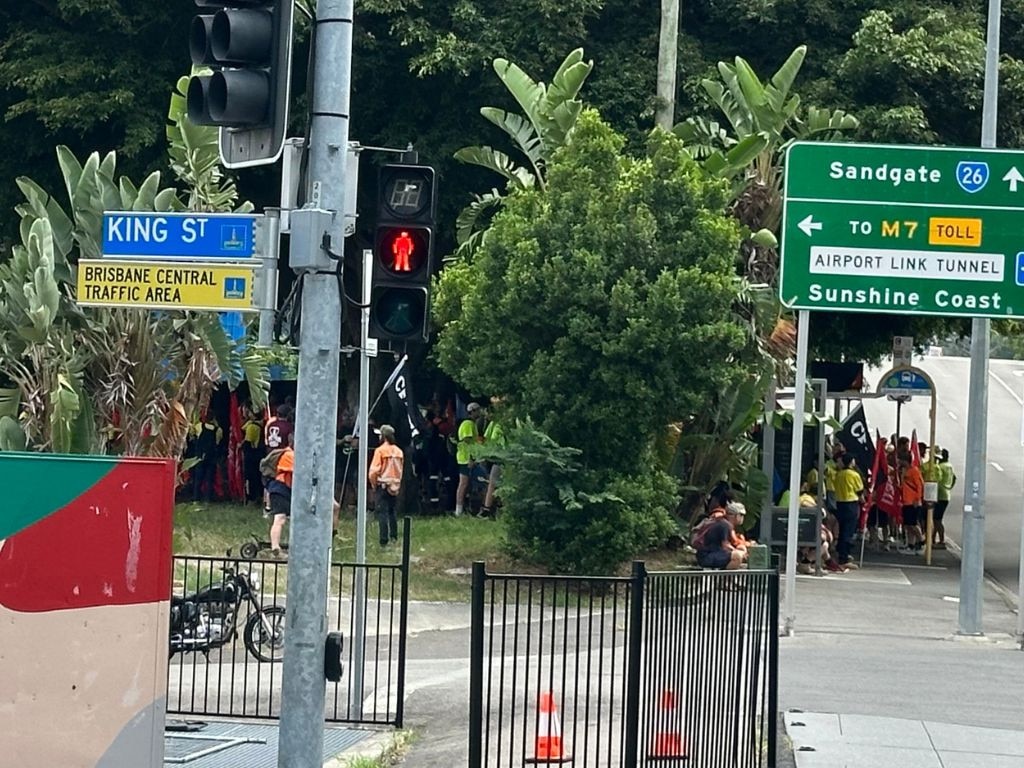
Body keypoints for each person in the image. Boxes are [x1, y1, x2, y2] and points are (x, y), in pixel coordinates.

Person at [368, 424, 404, 547]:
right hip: (394, 486)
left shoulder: (380, 451)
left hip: (382, 485)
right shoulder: (399, 451)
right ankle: (394, 537)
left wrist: (373, 484)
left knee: (382, 513)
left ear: (383, 436)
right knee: (392, 512)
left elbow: (374, 471)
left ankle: (383, 540)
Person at [694, 501, 749, 570]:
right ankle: (724, 579)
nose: (742, 518)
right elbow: (725, 546)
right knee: (737, 556)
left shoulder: (723, 523)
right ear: (735, 515)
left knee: (740, 549)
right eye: (741, 515)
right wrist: (739, 552)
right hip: (707, 557)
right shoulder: (724, 525)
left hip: (713, 554)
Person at [832, 454, 864, 567]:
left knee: (842, 530)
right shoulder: (854, 475)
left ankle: (841, 554)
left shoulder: (838, 475)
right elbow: (859, 491)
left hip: (840, 504)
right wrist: (864, 501)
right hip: (851, 504)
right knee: (848, 531)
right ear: (851, 462)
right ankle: (844, 558)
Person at [267, 433, 294, 558]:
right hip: (279, 489)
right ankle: (275, 548)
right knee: (280, 518)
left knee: (287, 518)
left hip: (286, 490)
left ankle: (291, 545)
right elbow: (299, 471)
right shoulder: (289, 455)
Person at [453, 402, 482, 517]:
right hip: (466, 459)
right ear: (472, 411)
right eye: (478, 410)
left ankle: (466, 507)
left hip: (466, 458)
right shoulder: (468, 424)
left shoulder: (470, 424)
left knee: (467, 484)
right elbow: (468, 442)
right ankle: (458, 510)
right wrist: (471, 458)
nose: (479, 412)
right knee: (464, 484)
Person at [191, 410, 223, 502]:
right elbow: (218, 442)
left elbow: (192, 435)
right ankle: (208, 498)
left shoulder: (199, 426)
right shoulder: (218, 430)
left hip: (200, 456)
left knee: (198, 478)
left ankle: (196, 498)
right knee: (209, 479)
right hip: (212, 457)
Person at [899, 455, 925, 553]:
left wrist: (917, 499)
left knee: (913, 524)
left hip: (913, 502)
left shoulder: (914, 471)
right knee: (908, 525)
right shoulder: (904, 471)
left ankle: (921, 541)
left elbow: (919, 486)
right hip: (906, 501)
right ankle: (911, 544)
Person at [241, 406, 264, 504]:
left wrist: (239, 445)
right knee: (257, 476)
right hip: (259, 453)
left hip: (251, 453)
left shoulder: (251, 427)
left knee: (250, 477)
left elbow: (248, 441)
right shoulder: (260, 424)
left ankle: (251, 497)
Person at [935, 448, 956, 549]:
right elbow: (954, 478)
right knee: (937, 518)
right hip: (946, 494)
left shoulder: (940, 467)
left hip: (939, 494)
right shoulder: (949, 466)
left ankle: (941, 540)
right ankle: (934, 538)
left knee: (936, 519)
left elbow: (937, 479)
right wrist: (949, 486)